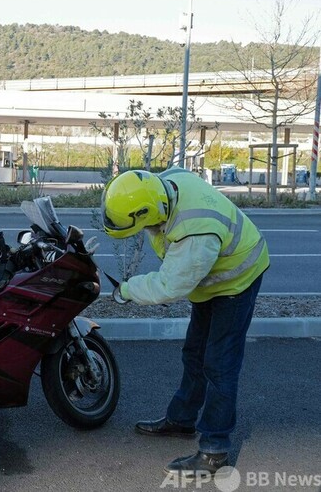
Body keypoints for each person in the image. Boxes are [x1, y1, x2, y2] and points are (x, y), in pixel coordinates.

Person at [101, 168, 269, 479]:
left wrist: (125, 291)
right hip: (209, 280)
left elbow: (169, 286)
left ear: (149, 212)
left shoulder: (196, 233)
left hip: (237, 278)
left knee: (220, 364)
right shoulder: (163, 186)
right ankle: (182, 420)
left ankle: (214, 451)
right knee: (194, 352)